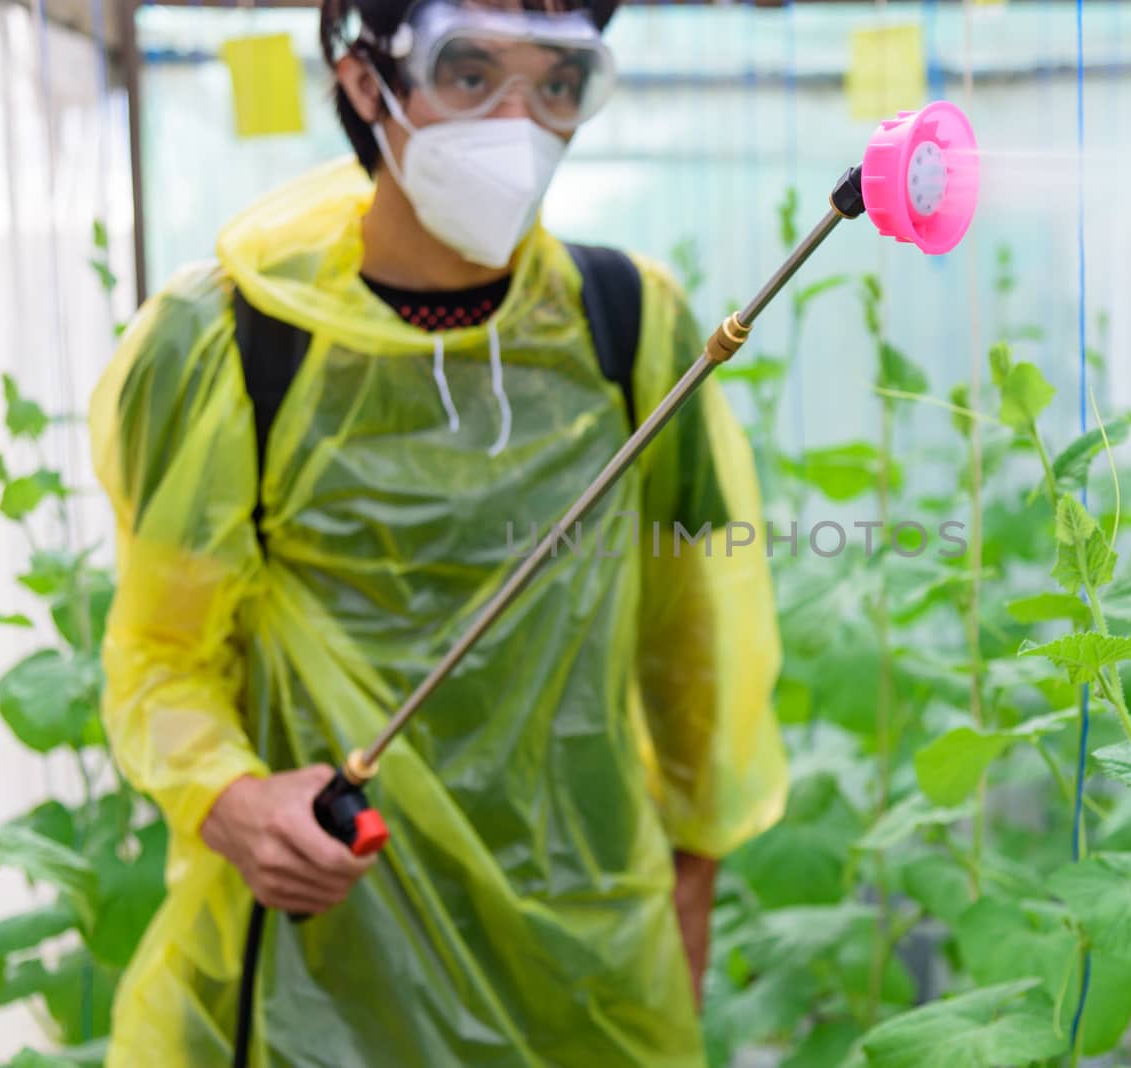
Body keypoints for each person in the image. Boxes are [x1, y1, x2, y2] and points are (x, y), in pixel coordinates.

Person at [86, 0, 788, 1063]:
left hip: (586, 970)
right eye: (469, 77)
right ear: (366, 82)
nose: (518, 125)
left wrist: (682, 908)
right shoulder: (229, 343)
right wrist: (234, 800)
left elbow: (695, 659)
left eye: (556, 83)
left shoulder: (632, 328)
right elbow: (159, 659)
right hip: (317, 986)